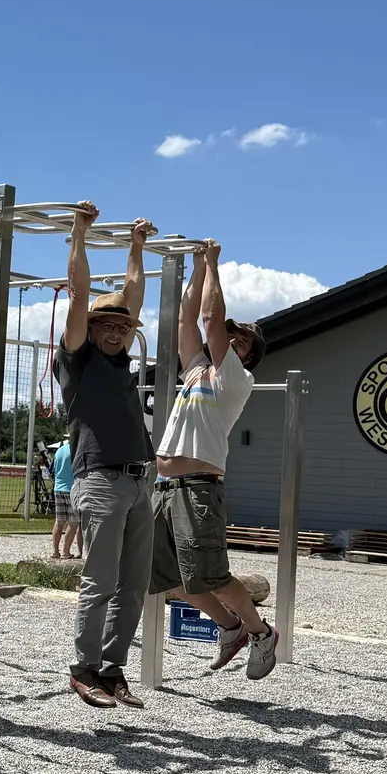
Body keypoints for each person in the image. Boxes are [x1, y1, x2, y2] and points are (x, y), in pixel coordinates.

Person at [150, 240, 277, 678]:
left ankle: (261, 632)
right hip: (165, 488)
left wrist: (212, 262)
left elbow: (207, 318)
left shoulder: (237, 380)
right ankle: (229, 627)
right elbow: (188, 317)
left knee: (212, 575)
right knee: (173, 581)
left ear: (247, 355)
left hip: (199, 488)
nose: (228, 339)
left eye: (238, 340)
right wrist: (195, 269)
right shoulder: (195, 373)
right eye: (230, 335)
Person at [55, 203, 155, 710]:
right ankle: (84, 667)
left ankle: (114, 668)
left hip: (140, 482)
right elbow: (77, 293)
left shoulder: (122, 364)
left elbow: (133, 294)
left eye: (123, 326)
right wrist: (79, 233)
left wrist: (136, 247)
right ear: (90, 330)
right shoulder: (78, 359)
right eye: (106, 325)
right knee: (100, 580)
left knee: (134, 585)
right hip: (100, 480)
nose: (115, 331)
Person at [50, 439, 81, 559]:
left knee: (59, 521)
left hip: (58, 488)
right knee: (73, 523)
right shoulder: (75, 451)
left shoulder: (59, 451)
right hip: (71, 488)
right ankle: (66, 552)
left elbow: (52, 469)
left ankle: (55, 551)